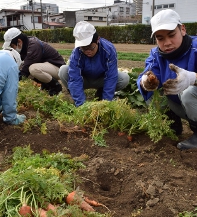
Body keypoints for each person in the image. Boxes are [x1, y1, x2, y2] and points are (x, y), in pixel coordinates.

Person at [137, 9, 197, 150]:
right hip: (182, 106)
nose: (167, 43)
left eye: (171, 35)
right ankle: (172, 124)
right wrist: (146, 81)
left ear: (182, 29)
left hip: (193, 101)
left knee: (188, 92)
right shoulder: (157, 55)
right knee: (153, 95)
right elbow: (145, 75)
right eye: (160, 38)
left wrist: (192, 78)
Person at [58, 21, 130, 107]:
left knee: (124, 78)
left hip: (101, 79)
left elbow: (111, 77)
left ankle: (100, 93)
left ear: (98, 40)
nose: (88, 51)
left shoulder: (108, 49)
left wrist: (105, 104)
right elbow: (75, 78)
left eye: (91, 48)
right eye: (84, 48)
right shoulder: (77, 52)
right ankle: (76, 95)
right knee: (63, 70)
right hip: (84, 79)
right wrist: (82, 106)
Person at [3, 28, 66, 96]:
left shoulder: (33, 46)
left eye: (12, 46)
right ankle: (47, 86)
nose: (13, 48)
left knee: (33, 69)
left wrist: (11, 82)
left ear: (19, 41)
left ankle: (56, 86)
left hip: (58, 68)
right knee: (28, 70)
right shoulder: (25, 46)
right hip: (47, 67)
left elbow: (25, 69)